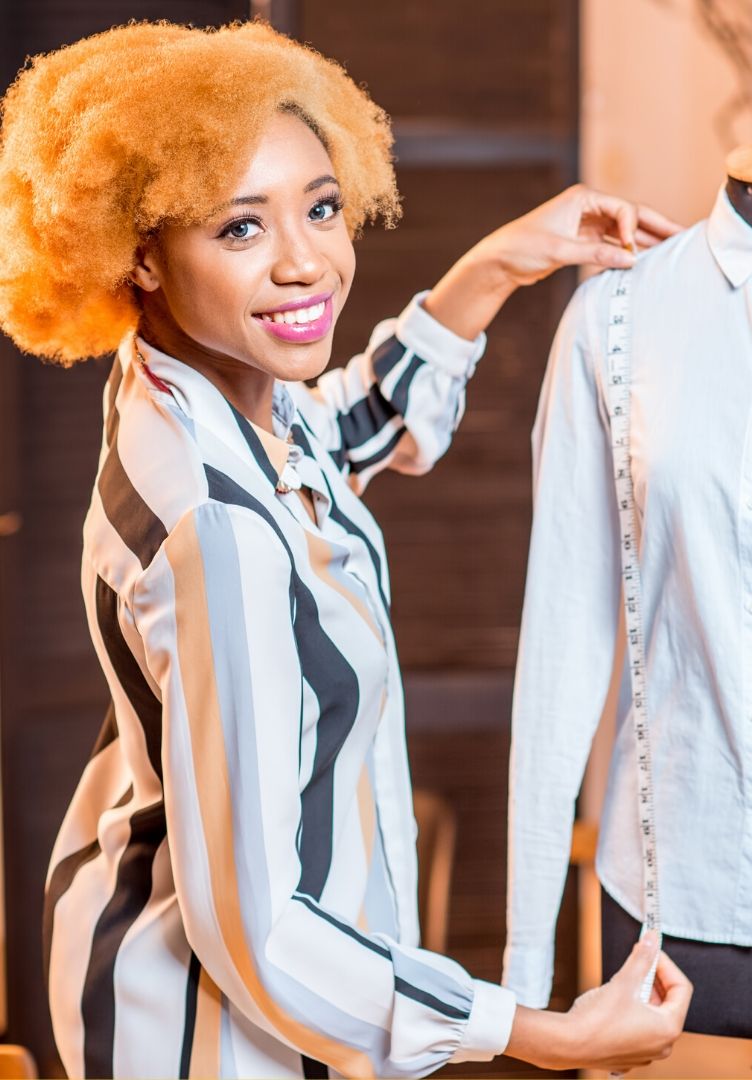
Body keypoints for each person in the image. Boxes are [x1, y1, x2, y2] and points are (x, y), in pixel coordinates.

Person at [0, 19, 692, 1079]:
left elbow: (341, 430)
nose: (307, 262)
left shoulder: (196, 395)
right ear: (136, 252)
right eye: (240, 227)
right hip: (215, 1044)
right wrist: (546, 1036)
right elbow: (265, 938)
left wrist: (505, 260)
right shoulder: (219, 535)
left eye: (321, 207)